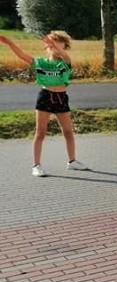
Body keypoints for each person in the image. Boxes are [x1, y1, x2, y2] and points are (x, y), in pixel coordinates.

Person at [0, 32, 88, 177]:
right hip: (45, 96)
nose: (55, 44)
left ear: (64, 46)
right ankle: (36, 165)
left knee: (68, 131)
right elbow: (21, 55)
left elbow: (63, 54)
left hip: (60, 97)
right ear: (46, 46)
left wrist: (53, 44)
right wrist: (9, 43)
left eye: (59, 42)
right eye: (53, 42)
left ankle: (72, 162)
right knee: (40, 132)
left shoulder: (65, 61)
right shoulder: (40, 62)